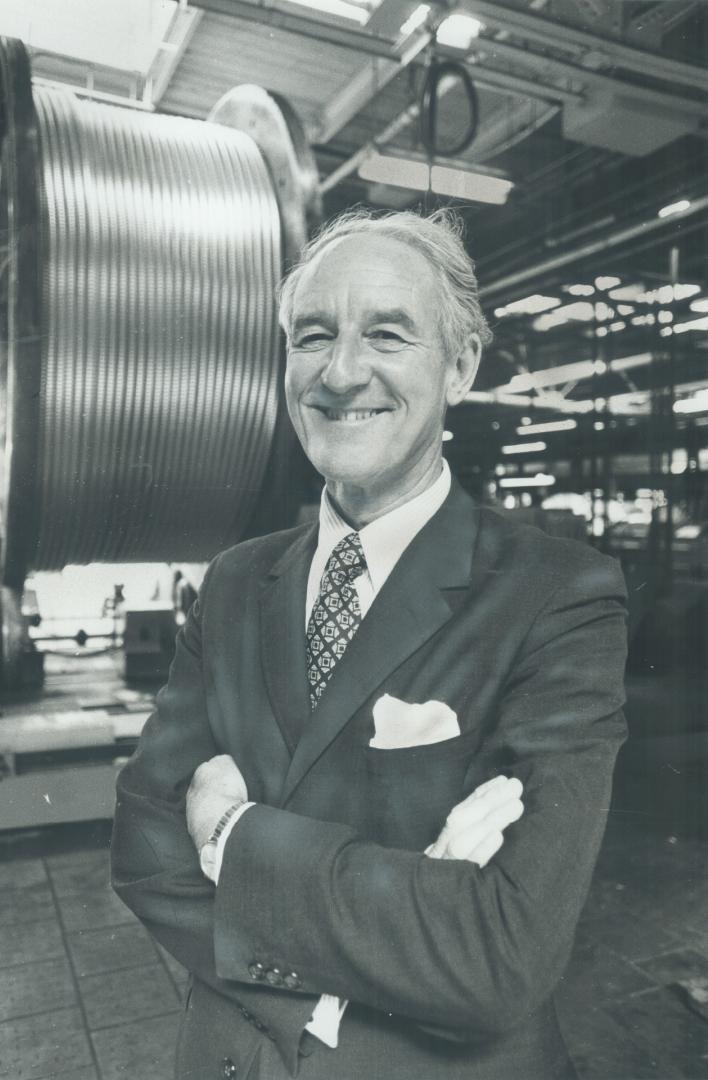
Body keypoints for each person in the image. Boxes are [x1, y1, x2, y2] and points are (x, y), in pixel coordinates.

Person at [110, 208, 628, 1080]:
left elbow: (502, 951)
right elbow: (145, 846)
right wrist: (359, 959)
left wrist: (232, 837)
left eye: (387, 334)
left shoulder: (558, 596)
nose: (342, 372)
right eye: (313, 335)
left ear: (460, 366)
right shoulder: (236, 581)